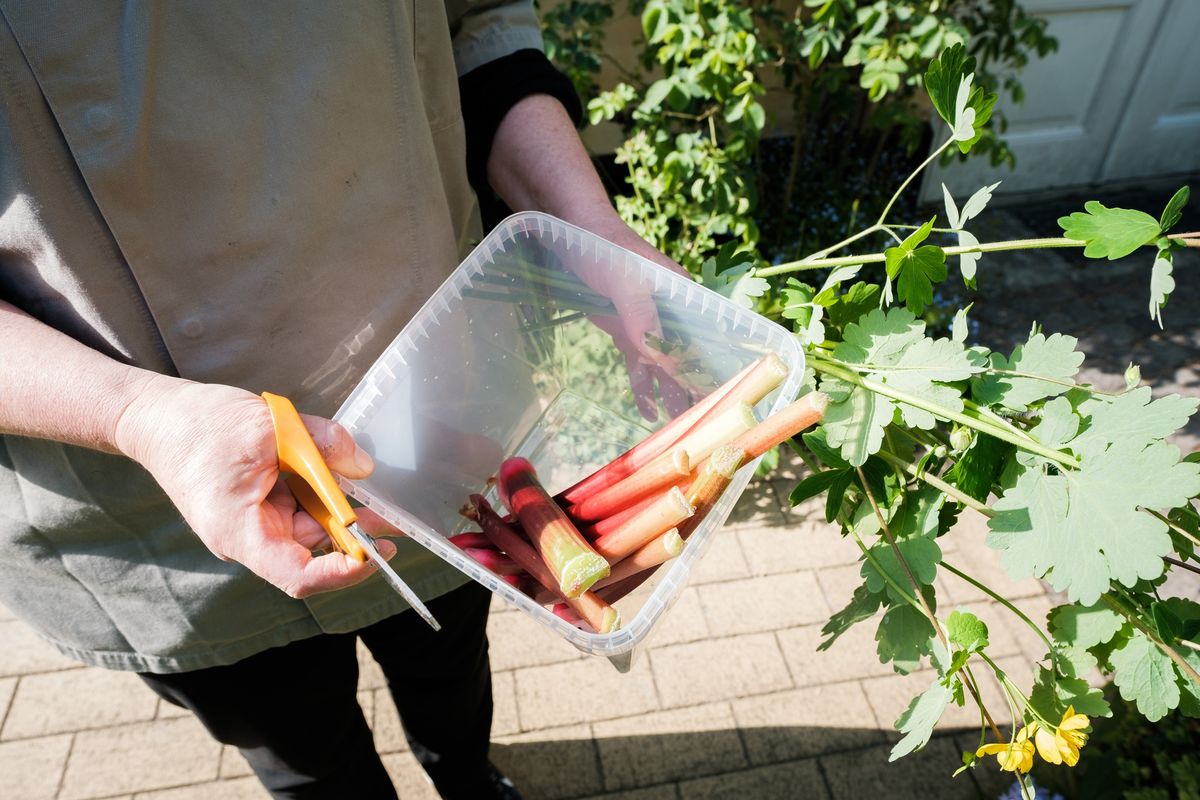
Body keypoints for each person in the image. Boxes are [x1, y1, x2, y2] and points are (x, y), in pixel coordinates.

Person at [0, 3, 685, 798]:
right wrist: (132, 414)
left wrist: (586, 222)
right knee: (302, 753)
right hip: (148, 510)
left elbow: (481, 29)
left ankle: (466, 775)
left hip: (437, 431)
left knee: (453, 669)